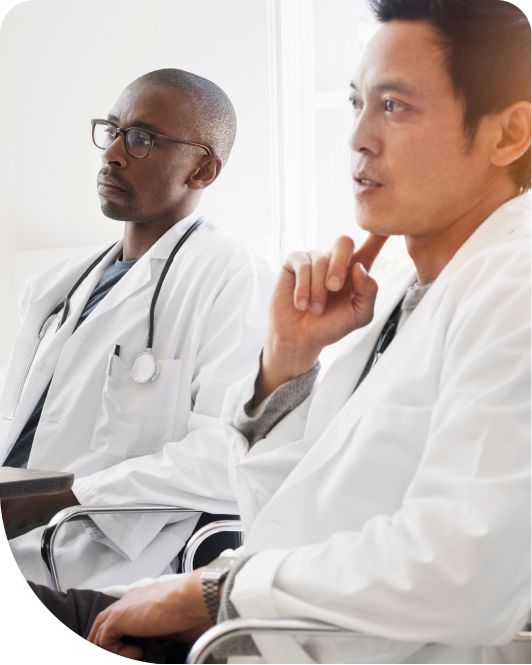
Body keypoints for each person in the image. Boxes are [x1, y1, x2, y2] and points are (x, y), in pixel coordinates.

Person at [28, 0, 532, 663]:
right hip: (254, 630)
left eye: (396, 106)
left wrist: (215, 592)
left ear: (507, 133)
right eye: (356, 102)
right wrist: (287, 364)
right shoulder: (406, 302)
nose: (358, 137)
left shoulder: (516, 284)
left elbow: (463, 568)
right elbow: (287, 519)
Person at [0, 68, 274, 592]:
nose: (112, 154)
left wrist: (68, 496)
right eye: (114, 129)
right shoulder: (55, 286)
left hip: (107, 569)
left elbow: (230, 455)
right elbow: (17, 418)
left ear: (203, 171)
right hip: (16, 544)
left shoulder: (233, 277)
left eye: (143, 139)